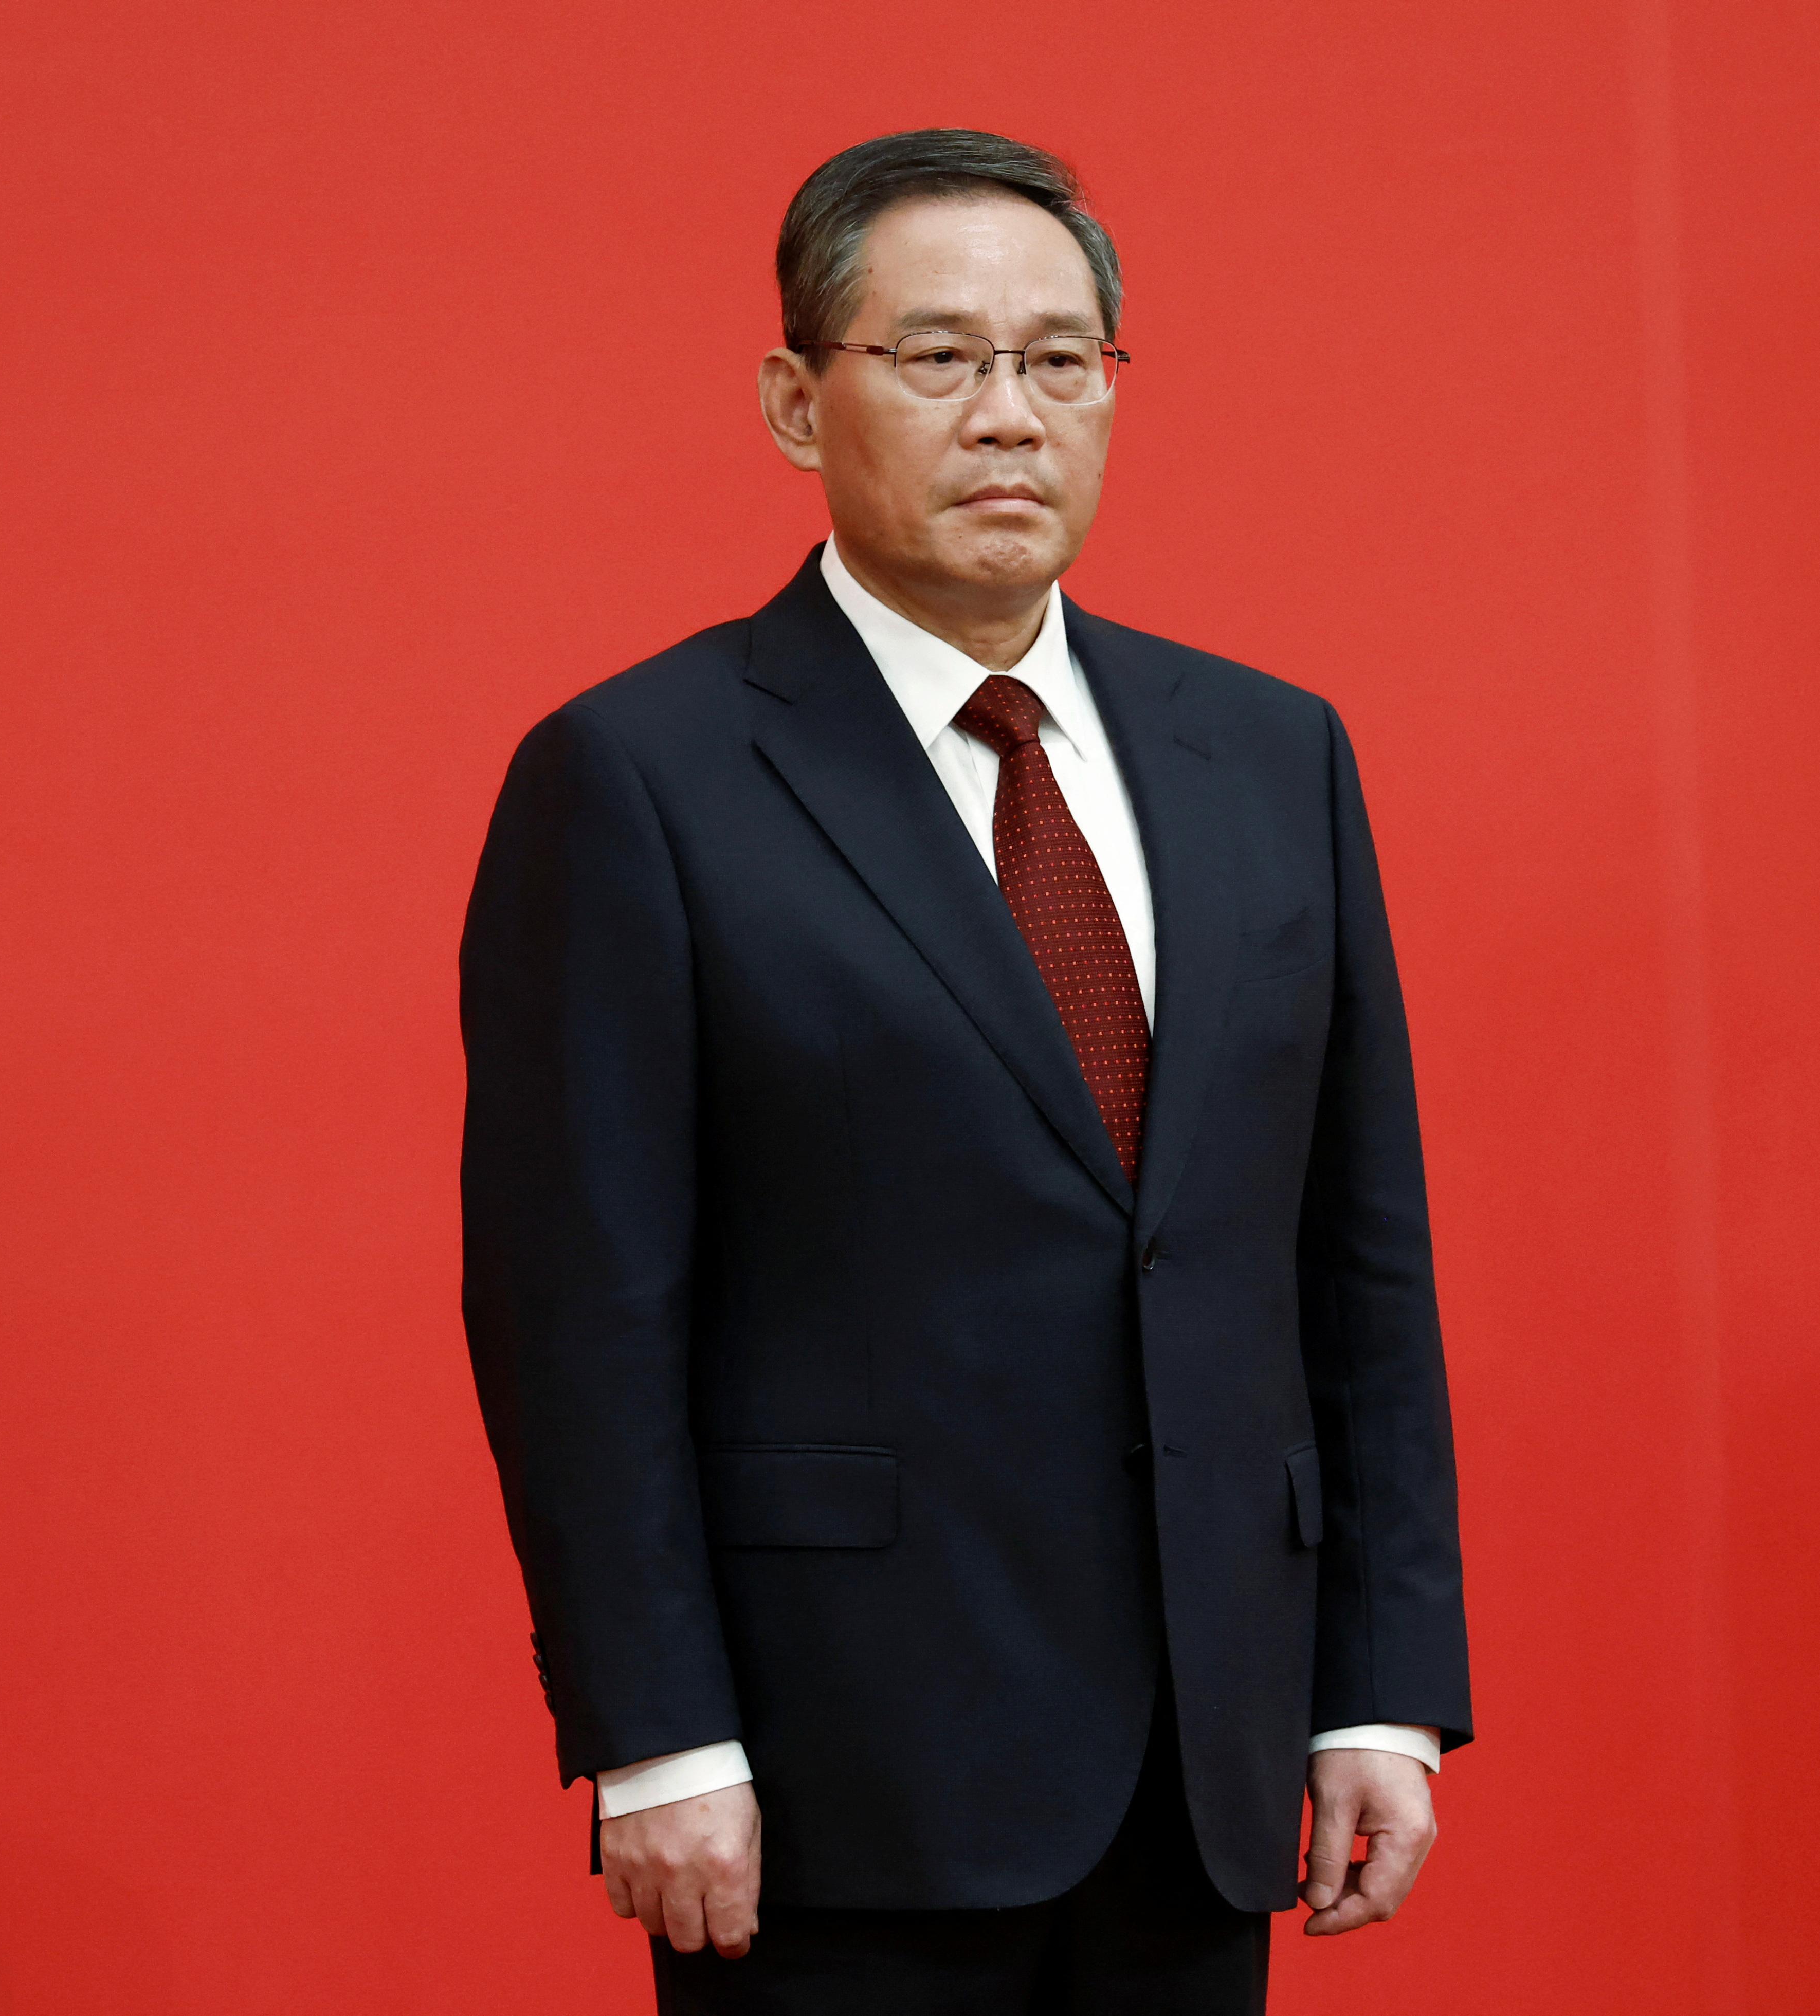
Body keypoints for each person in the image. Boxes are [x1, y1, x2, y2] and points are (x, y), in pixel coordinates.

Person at [460, 129, 1471, 2014]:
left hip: (1207, 1762)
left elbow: (1356, 1260)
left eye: (1057, 361)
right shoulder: (640, 777)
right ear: (794, 400)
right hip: (836, 1770)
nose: (1008, 416)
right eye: (937, 360)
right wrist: (656, 1737)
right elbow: (574, 1311)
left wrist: (1380, 1680)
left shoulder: (1269, 754)